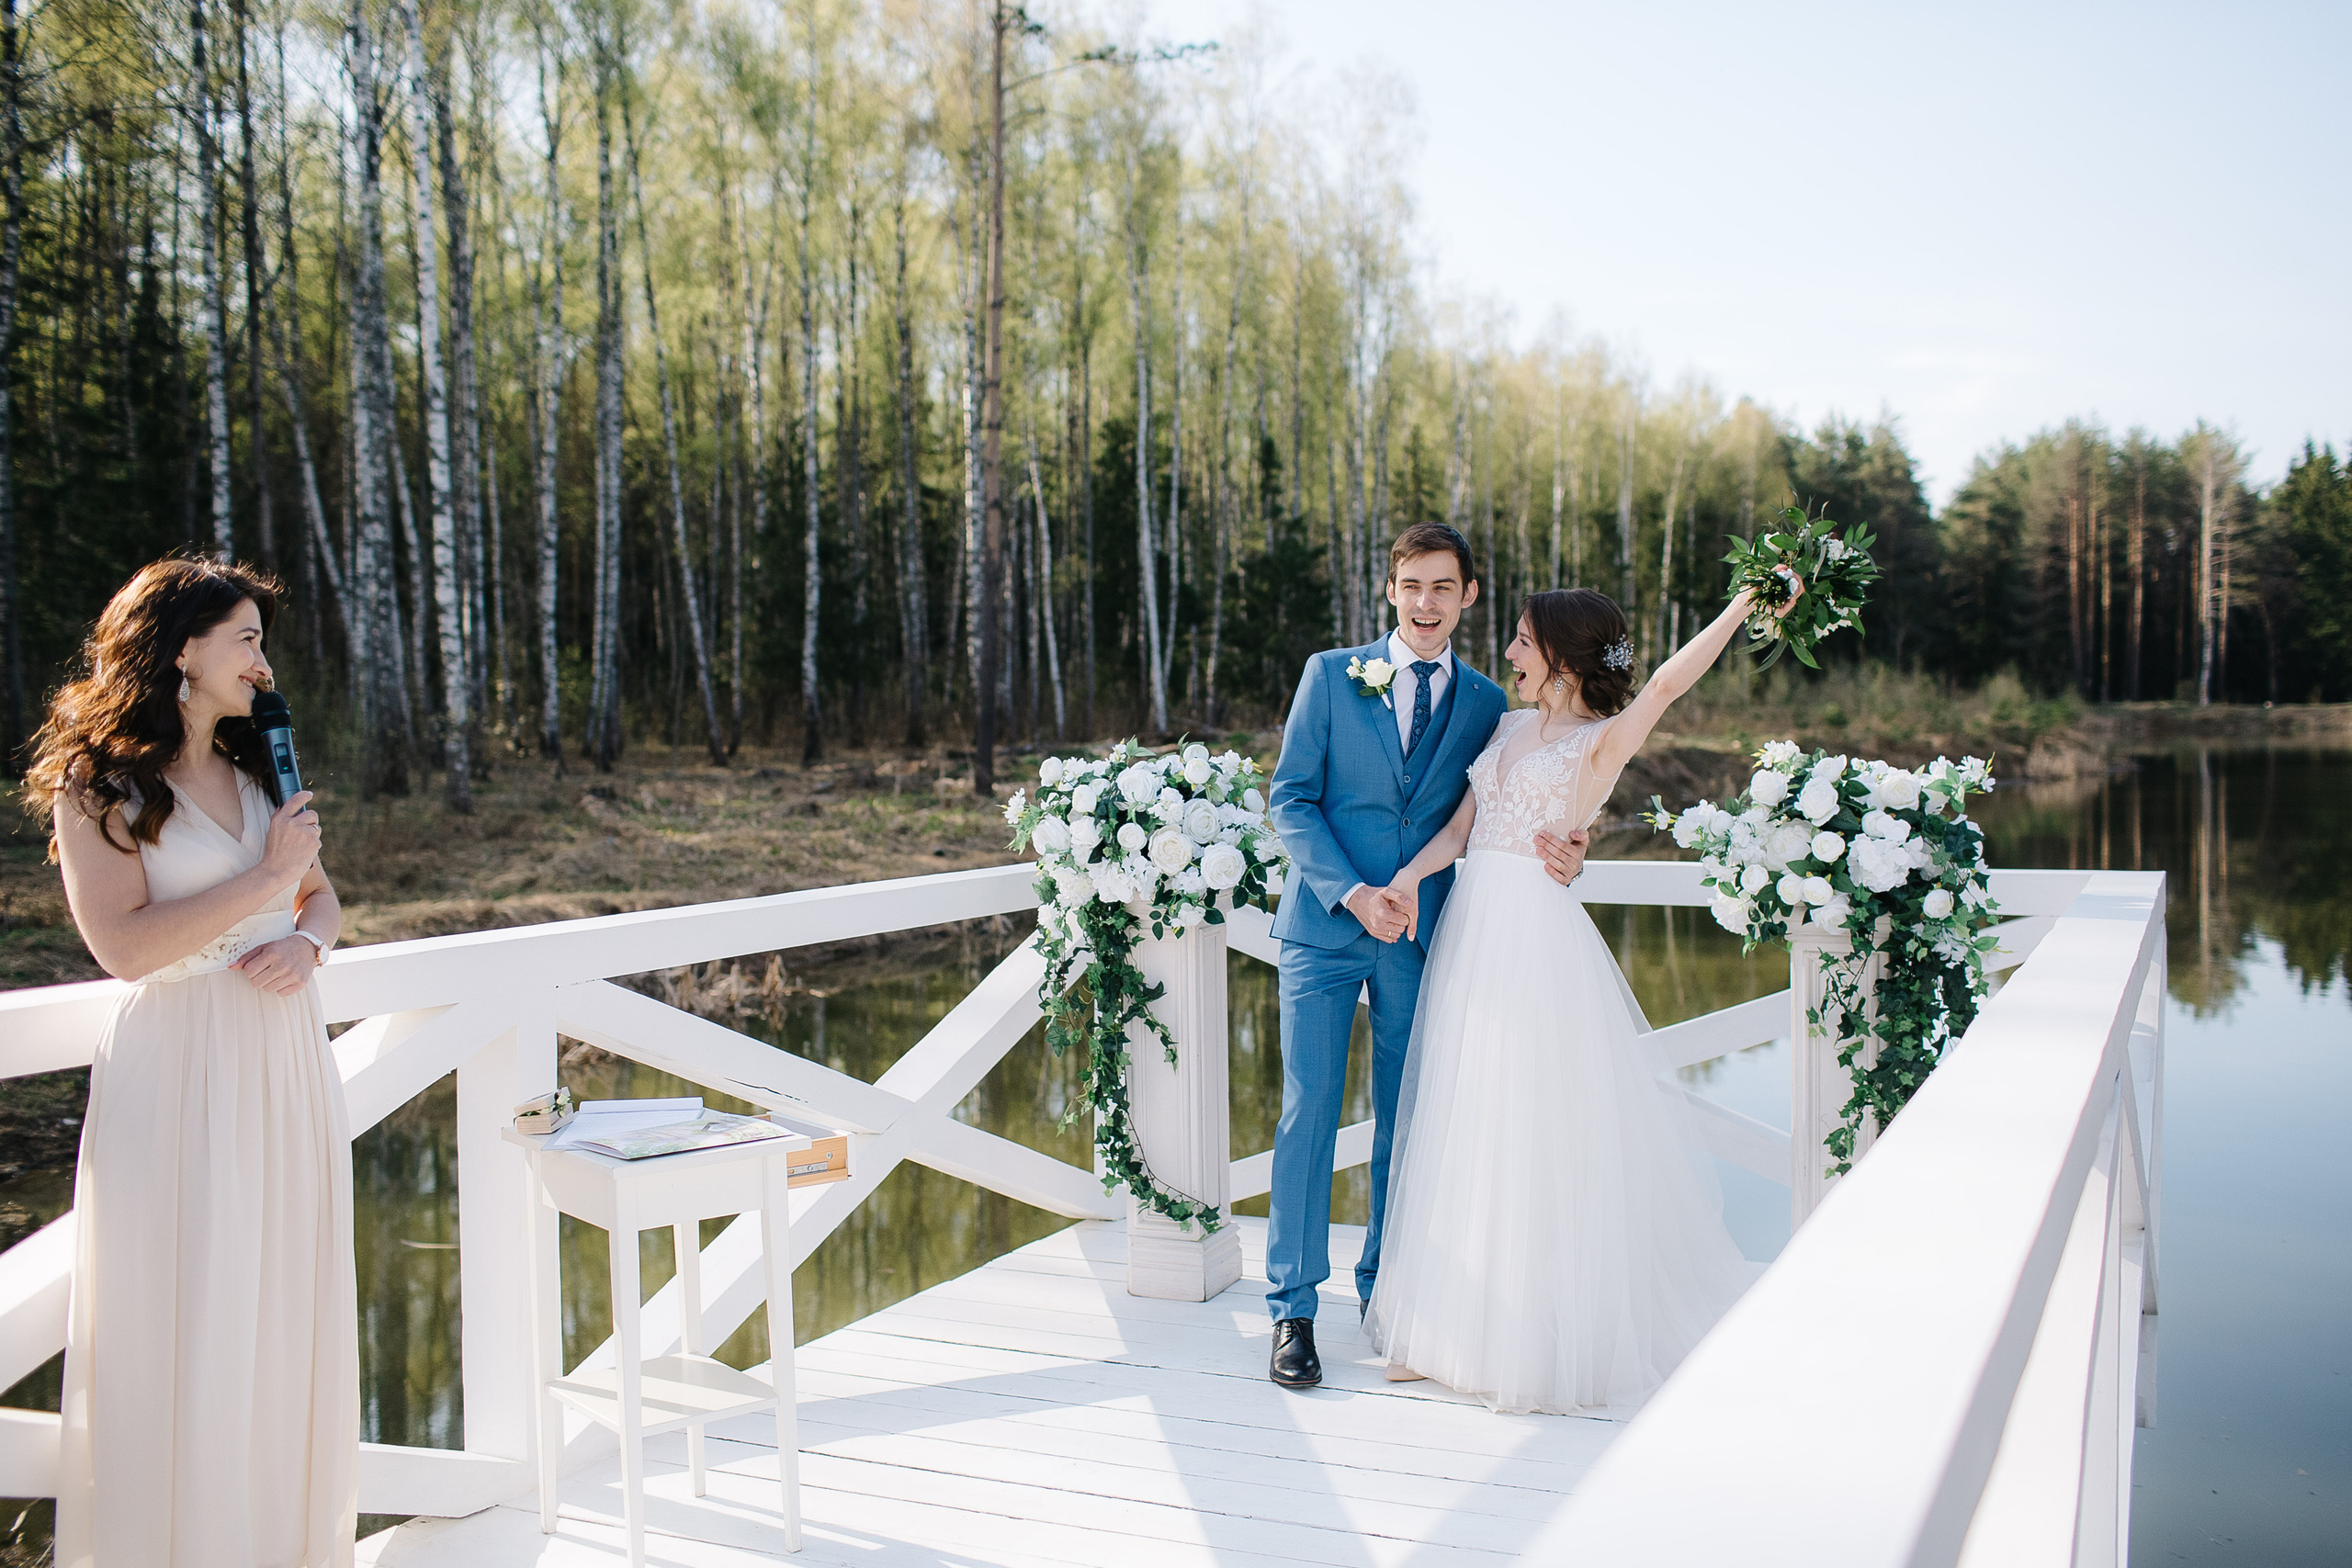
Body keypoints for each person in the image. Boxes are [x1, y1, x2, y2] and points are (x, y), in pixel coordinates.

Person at [1364, 580, 1797, 1416]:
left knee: (1537, 1132)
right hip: (1473, 935)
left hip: (1535, 938)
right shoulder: (1505, 727)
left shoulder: (1601, 743)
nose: (1513, 654)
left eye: (1525, 641)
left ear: (1561, 654)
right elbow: (1459, 829)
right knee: (1473, 1118)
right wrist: (1405, 879)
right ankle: (1449, 1329)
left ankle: (1537, 1340)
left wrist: (1742, 601)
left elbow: (1668, 681)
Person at [28, 556, 358, 1567]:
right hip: (177, 1068)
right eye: (247, 638)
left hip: (282, 1061)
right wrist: (264, 876)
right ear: (182, 649)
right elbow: (124, 949)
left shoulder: (261, 764)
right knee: (188, 1317)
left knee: (279, 1311)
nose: (263, 661)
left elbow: (321, 896)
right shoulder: (101, 786)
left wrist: (306, 941)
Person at [1261, 524, 1589, 1390]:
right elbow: (1288, 801)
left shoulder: (1489, 703)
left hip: (1422, 937)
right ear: (1391, 589)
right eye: (1412, 585)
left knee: (1411, 1119)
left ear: (1468, 595)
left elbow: (1531, 785)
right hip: (1327, 927)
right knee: (1309, 1110)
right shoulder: (1329, 676)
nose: (1426, 602)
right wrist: (1353, 892)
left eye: (1443, 587)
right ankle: (1293, 1307)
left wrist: (1573, 844)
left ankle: (1388, 1291)